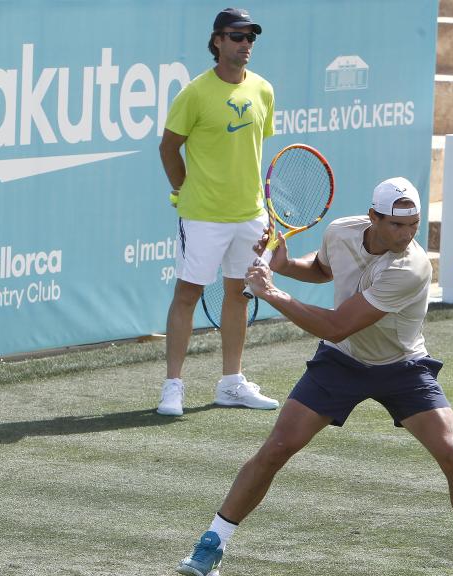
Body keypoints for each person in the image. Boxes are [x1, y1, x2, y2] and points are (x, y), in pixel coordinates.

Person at [174, 178, 453, 576]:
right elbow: (321, 269)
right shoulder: (342, 232)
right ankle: (211, 544)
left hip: (402, 367)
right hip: (342, 363)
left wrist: (273, 293)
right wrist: (283, 267)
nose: (408, 234)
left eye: (414, 224)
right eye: (398, 225)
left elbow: (335, 326)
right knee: (278, 447)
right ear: (373, 219)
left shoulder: (412, 267)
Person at [156, 7, 279, 416]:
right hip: (203, 215)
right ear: (217, 41)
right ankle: (173, 386)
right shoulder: (194, 93)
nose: (246, 45)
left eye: (251, 38)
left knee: (238, 295)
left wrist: (264, 210)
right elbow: (168, 146)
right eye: (237, 36)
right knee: (187, 294)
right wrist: (182, 188)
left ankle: (231, 383)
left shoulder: (263, 89)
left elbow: (254, 153)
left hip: (250, 214)